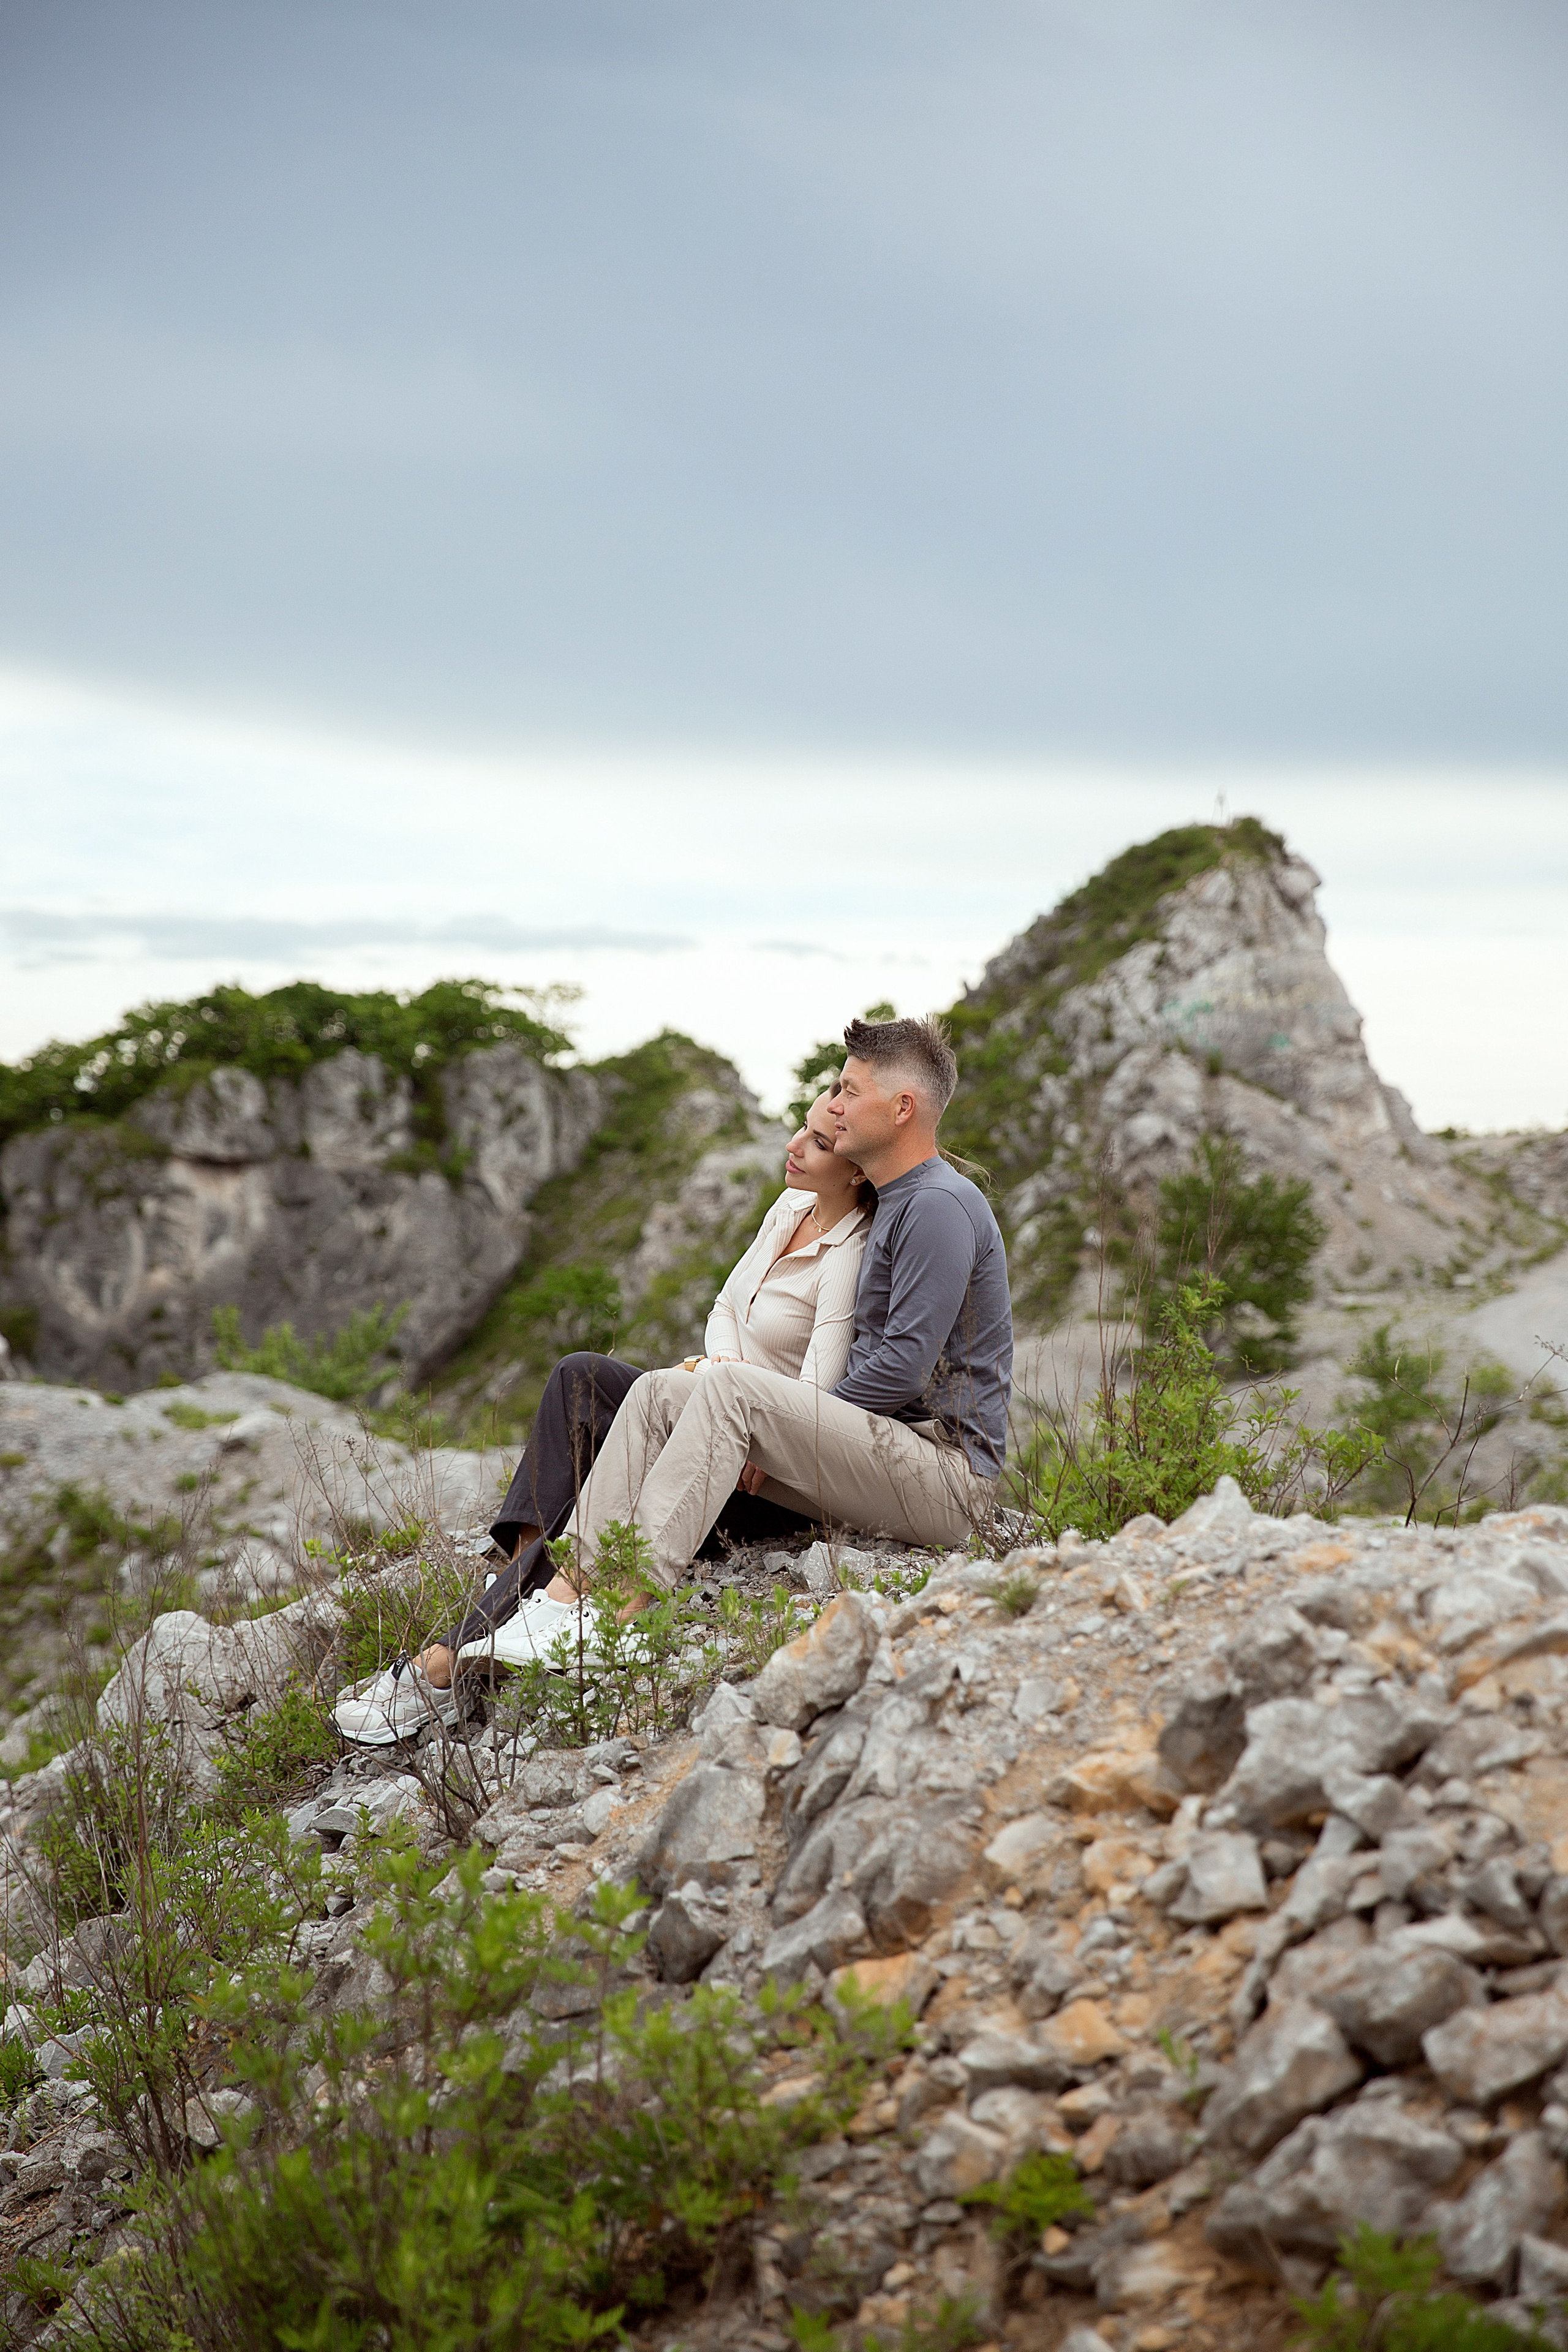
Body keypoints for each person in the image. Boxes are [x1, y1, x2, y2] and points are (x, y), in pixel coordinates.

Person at [333, 1088, 873, 1743]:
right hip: (703, 1404)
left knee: (589, 1509)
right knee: (579, 1374)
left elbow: (817, 1388)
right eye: (802, 1127)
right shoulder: (791, 1207)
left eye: (818, 1143)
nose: (793, 1145)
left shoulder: (848, 1255)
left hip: (753, 1465)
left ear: (856, 1167)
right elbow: (725, 1308)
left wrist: (724, 1391)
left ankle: (443, 1665)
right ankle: (523, 1579)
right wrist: (713, 1373)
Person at [510, 1013, 1012, 1649]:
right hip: (886, 1452)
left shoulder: (936, 1205)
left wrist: (783, 1429)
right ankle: (566, 1593)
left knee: (733, 1394)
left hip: (945, 1476)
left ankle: (618, 1616)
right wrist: (783, 1428)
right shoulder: (893, 1200)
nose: (833, 1106)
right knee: (663, 1390)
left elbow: (902, 1367)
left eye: (849, 1091)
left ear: (902, 1107)